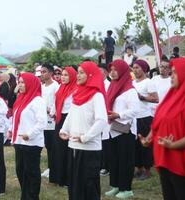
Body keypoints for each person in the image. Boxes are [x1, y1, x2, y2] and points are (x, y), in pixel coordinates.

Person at [139, 57, 185, 200]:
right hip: (164, 159)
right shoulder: (170, 98)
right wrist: (149, 139)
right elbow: (158, 123)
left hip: (181, 162)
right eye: (171, 72)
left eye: (175, 72)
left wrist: (173, 145)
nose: (171, 76)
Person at [59, 62, 108, 200]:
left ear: (91, 74)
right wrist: (64, 129)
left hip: (89, 148)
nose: (78, 75)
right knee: (75, 183)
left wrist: (86, 137)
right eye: (78, 72)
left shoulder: (96, 95)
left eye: (82, 72)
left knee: (88, 185)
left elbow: (102, 120)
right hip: (73, 145)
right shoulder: (77, 92)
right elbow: (71, 114)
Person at [105, 59, 139, 199]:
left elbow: (135, 110)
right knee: (114, 159)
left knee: (125, 160)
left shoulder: (129, 90)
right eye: (111, 69)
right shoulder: (112, 86)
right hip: (112, 129)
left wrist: (119, 114)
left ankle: (126, 188)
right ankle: (116, 185)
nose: (112, 73)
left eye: (115, 69)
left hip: (126, 130)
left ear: (123, 71)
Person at [11, 72, 47, 200]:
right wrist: (12, 131)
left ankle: (32, 197)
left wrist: (30, 134)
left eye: (23, 82)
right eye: (19, 82)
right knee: (20, 171)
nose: (20, 85)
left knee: (31, 173)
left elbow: (42, 122)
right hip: (20, 142)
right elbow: (17, 118)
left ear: (31, 83)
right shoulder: (21, 98)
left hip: (32, 143)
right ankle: (25, 196)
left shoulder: (37, 100)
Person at [50, 66, 77, 186]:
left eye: (66, 75)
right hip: (59, 119)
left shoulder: (75, 89)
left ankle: (67, 178)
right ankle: (58, 177)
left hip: (69, 120)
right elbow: (56, 103)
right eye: (62, 75)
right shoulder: (61, 88)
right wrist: (53, 112)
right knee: (58, 149)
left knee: (67, 150)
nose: (63, 77)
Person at [132, 60, 159, 180]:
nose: (135, 70)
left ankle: (148, 170)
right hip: (134, 117)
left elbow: (155, 98)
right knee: (136, 144)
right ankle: (139, 168)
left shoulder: (148, 82)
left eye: (137, 67)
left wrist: (142, 97)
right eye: (134, 68)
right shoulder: (132, 82)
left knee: (145, 144)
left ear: (143, 69)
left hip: (145, 117)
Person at [40, 63, 60, 178]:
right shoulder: (42, 86)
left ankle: (55, 169)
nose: (42, 74)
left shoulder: (55, 86)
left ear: (51, 73)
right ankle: (50, 167)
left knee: (54, 146)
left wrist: (50, 110)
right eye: (41, 72)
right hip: (44, 121)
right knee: (48, 145)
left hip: (52, 120)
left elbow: (57, 101)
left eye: (45, 71)